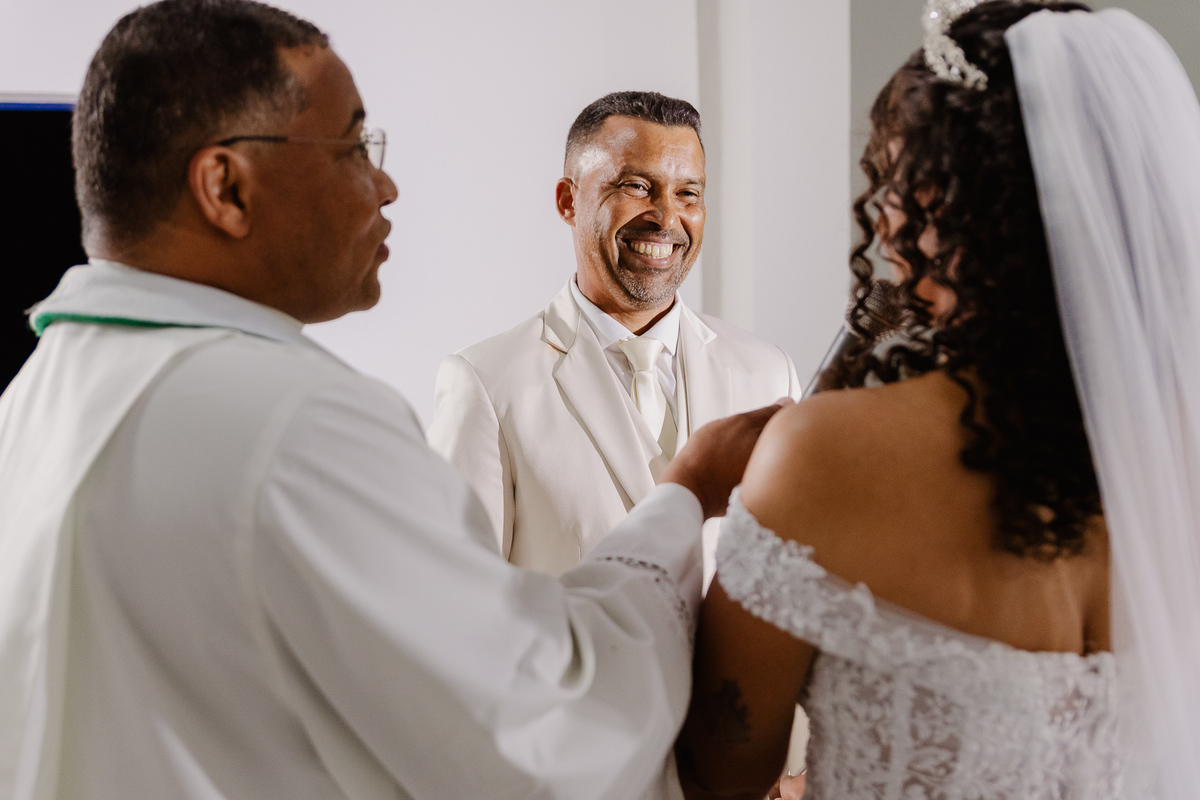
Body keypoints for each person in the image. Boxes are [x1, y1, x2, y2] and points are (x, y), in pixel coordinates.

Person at [0, 3, 783, 798]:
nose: (384, 184)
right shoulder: (297, 424)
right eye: (353, 147)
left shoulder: (36, 397)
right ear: (225, 187)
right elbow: (541, 731)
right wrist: (685, 492)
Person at [676, 1, 1200, 799]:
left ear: (950, 207)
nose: (883, 222)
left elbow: (720, 773)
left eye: (893, 181)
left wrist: (688, 488)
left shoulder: (822, 453)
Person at [427, 92, 801, 584]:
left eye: (688, 193)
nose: (667, 217)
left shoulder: (768, 372)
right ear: (568, 201)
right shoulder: (486, 385)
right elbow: (460, 603)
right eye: (638, 186)